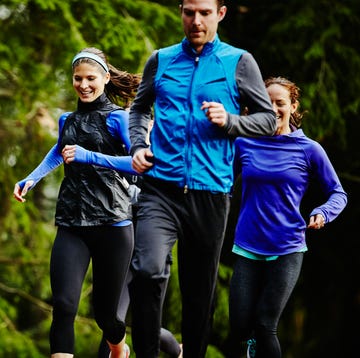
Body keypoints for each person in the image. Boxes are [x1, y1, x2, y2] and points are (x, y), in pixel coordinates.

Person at [127, 0, 277, 356]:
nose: (196, 21)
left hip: (210, 192)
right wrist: (137, 145)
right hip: (159, 188)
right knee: (147, 271)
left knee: (198, 294)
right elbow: (138, 108)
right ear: (181, 12)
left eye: (204, 13)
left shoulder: (239, 62)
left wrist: (230, 121)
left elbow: (268, 120)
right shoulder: (160, 60)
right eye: (189, 12)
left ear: (220, 14)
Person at [13, 47, 141, 358]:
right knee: (64, 305)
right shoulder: (66, 119)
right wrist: (31, 178)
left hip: (113, 224)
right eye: (77, 78)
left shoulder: (119, 119)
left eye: (90, 78)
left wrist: (89, 156)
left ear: (106, 78)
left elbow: (138, 163)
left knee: (107, 317)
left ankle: (118, 348)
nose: (83, 85)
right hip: (71, 222)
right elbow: (59, 150)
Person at [228, 76, 348, 358]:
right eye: (266, 103)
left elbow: (338, 193)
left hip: (287, 247)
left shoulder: (309, 149)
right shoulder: (244, 144)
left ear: (293, 106)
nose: (273, 109)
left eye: (280, 103)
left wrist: (322, 212)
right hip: (247, 245)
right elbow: (221, 182)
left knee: (264, 324)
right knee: (240, 327)